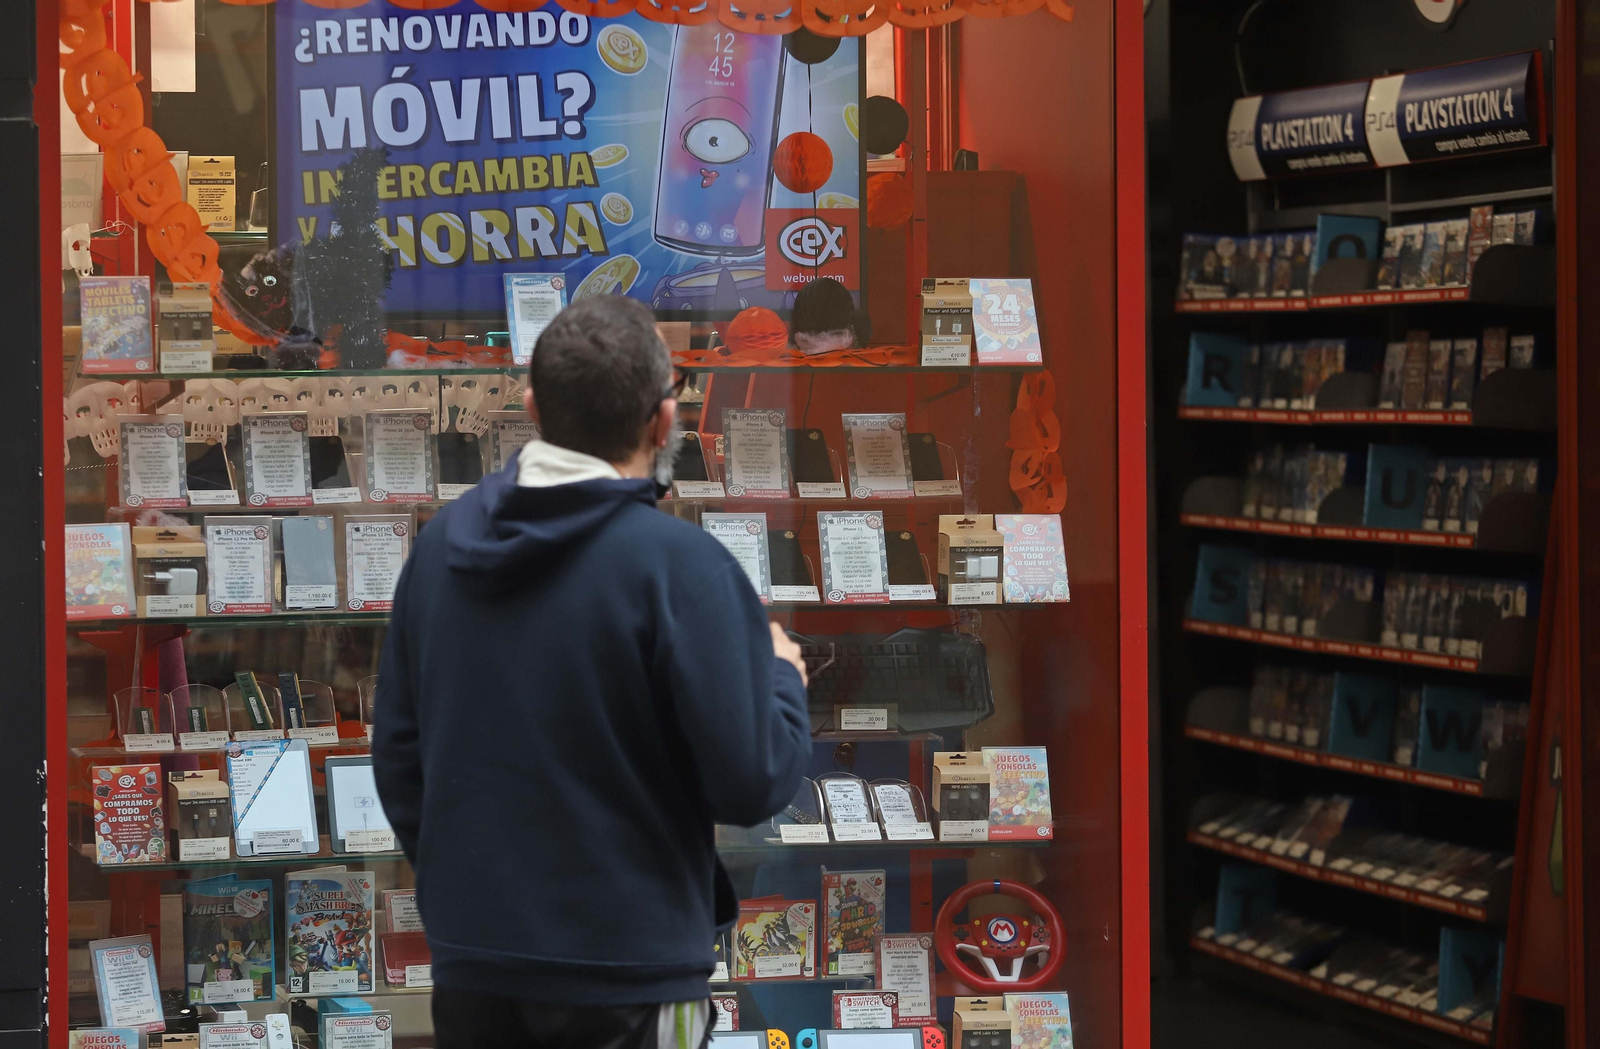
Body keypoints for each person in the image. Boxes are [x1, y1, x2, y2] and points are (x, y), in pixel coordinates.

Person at [373, 294, 811, 1049]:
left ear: (534, 406)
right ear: (662, 421)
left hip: (477, 966)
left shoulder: (439, 551)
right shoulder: (685, 569)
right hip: (633, 972)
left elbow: (399, 762)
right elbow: (753, 781)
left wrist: (480, 889)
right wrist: (781, 677)